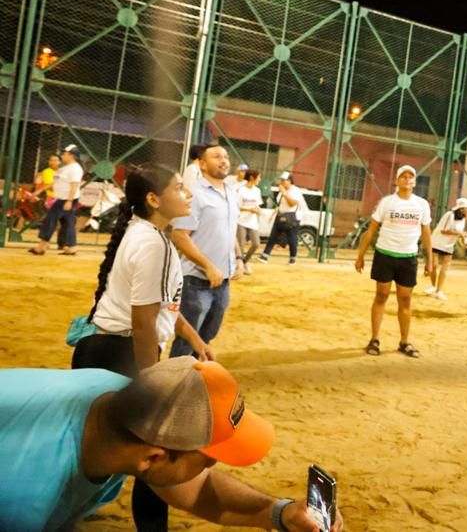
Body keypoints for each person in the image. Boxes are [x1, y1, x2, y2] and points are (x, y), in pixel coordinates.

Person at [0, 357, 339, 531]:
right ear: (153, 458)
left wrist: (277, 513)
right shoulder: (22, 502)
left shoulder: (121, 397)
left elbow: (194, 488)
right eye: (207, 459)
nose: (211, 467)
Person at [69, 164, 213, 529]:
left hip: (107, 351)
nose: (188, 194)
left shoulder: (146, 233)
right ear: (153, 199)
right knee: (158, 453)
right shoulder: (151, 242)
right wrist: (152, 379)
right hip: (121, 355)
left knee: (101, 449)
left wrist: (195, 339)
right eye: (179, 188)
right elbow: (143, 322)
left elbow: (163, 307)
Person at [169, 145, 243, 359]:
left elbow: (232, 229)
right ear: (202, 164)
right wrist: (208, 266)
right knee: (187, 339)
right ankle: (174, 382)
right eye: (217, 156)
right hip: (196, 281)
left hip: (223, 281)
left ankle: (193, 377)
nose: (224, 161)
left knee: (208, 335)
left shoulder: (231, 193)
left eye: (226, 156)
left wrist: (239, 258)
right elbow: (179, 235)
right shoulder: (195, 195)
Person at [356, 165, 433, 358]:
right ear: (396, 181)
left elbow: (426, 233)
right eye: (403, 176)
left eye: (411, 177)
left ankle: (404, 341)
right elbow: (372, 229)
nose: (407, 179)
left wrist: (430, 261)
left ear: (415, 182)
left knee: (405, 299)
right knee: (381, 295)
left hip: (408, 257)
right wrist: (360, 255)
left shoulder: (422, 205)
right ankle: (374, 339)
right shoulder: (387, 202)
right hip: (385, 254)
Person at [29, 145, 84, 256]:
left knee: (50, 220)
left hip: (67, 199)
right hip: (62, 199)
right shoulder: (65, 168)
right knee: (68, 223)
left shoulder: (75, 169)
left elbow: (74, 186)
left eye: (65, 153)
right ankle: (71, 247)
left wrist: (69, 201)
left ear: (71, 155)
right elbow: (55, 183)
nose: (62, 155)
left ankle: (42, 246)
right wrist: (39, 191)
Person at [426, 198, 467, 301]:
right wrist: (459, 234)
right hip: (437, 242)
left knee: (445, 268)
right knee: (434, 265)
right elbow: (443, 230)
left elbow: (458, 232)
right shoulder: (449, 215)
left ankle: (439, 291)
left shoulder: (463, 219)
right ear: (462, 209)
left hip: (449, 245)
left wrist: (463, 238)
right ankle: (433, 286)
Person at [259, 171, 303, 265]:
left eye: (284, 180)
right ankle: (265, 256)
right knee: (273, 236)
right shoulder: (282, 191)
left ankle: (293, 258)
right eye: (281, 180)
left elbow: (292, 204)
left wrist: (284, 193)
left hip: (292, 217)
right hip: (281, 215)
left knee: (292, 239)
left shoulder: (295, 190)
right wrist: (275, 211)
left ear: (290, 180)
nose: (281, 182)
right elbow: (280, 204)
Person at [236, 168, 262, 274]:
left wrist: (258, 210)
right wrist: (249, 209)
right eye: (259, 177)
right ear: (252, 178)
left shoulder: (257, 191)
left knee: (256, 244)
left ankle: (244, 262)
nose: (259, 179)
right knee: (241, 246)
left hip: (252, 222)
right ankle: (240, 266)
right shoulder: (241, 190)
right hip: (241, 221)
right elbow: (237, 206)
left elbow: (258, 205)